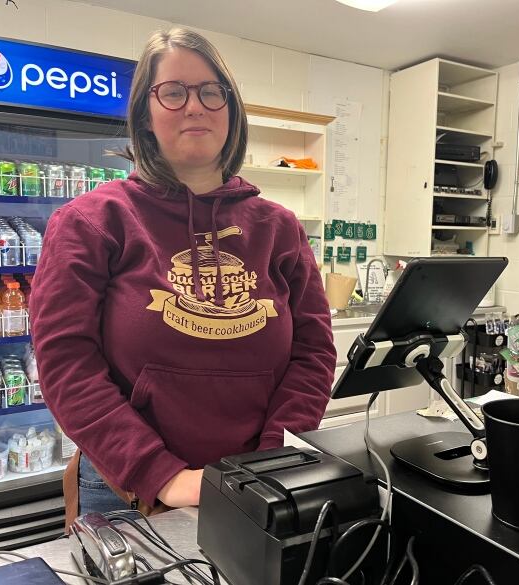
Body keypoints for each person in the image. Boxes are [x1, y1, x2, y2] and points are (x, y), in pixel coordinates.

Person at [29, 27, 336, 524]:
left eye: (212, 91)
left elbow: (314, 352)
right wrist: (162, 475)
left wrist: (272, 457)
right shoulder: (90, 222)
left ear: (231, 109)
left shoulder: (279, 228)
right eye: (172, 92)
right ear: (145, 117)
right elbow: (66, 365)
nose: (195, 106)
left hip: (259, 480)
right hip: (129, 491)